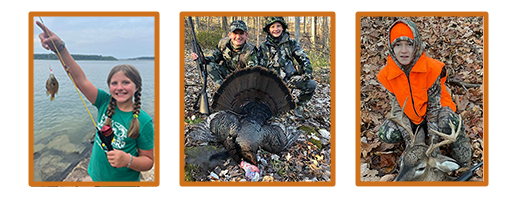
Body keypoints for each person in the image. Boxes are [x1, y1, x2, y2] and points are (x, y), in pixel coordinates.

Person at [37, 21, 154, 181]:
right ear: (109, 87)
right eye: (114, 83)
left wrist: (128, 160)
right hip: (95, 176)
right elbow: (80, 79)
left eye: (126, 82)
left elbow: (148, 162)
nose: (119, 87)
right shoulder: (103, 101)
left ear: (136, 87)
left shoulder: (144, 121)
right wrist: (60, 48)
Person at [376, 19, 471, 167]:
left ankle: (463, 161)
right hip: (414, 117)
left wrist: (434, 145)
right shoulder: (387, 74)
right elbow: (397, 109)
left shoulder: (431, 69)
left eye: (409, 44)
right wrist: (411, 144)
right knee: (386, 133)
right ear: (390, 47)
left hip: (438, 112)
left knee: (449, 122)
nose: (404, 51)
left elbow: (434, 109)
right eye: (398, 45)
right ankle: (416, 140)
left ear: (417, 44)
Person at [257, 17, 317, 118]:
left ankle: (297, 107)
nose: (276, 29)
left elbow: (303, 57)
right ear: (268, 29)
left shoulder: (290, 43)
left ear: (283, 27)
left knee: (311, 84)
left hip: (289, 79)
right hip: (271, 83)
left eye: (278, 26)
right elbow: (258, 66)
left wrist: (307, 71)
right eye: (273, 26)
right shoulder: (263, 47)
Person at [192, 20, 258, 87]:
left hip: (242, 81)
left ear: (246, 35)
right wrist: (202, 59)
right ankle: (222, 90)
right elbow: (215, 59)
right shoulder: (223, 43)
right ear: (230, 35)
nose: (238, 37)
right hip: (227, 74)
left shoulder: (250, 51)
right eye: (235, 33)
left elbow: (251, 75)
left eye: (241, 33)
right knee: (210, 66)